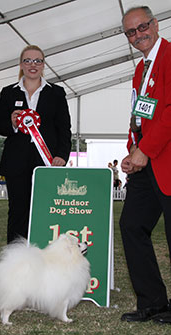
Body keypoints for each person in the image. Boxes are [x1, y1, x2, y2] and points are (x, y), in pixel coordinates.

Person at [119, 6, 171, 324]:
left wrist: (146, 150)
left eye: (142, 27)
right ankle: (153, 303)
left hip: (165, 159)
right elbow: (141, 114)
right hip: (147, 161)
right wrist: (132, 150)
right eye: (131, 32)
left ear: (155, 23)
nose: (138, 35)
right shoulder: (141, 69)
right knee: (132, 225)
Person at [0, 45, 71, 244]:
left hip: (47, 162)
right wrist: (11, 124)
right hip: (16, 163)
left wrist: (62, 156)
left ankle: (45, 258)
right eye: (28, 60)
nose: (33, 65)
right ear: (21, 64)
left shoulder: (56, 93)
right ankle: (16, 264)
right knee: (18, 213)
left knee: (46, 211)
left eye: (37, 61)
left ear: (43, 65)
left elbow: (64, 129)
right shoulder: (8, 93)